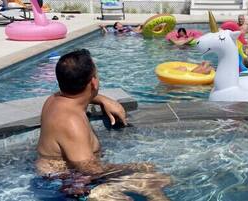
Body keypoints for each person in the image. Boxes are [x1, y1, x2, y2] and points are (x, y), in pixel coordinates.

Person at [36, 49, 170, 199]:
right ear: (93, 82)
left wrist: (103, 99)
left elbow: (77, 94)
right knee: (147, 181)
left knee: (153, 181)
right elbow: (89, 169)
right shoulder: (72, 123)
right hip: (67, 185)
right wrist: (131, 168)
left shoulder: (55, 100)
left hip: (62, 177)